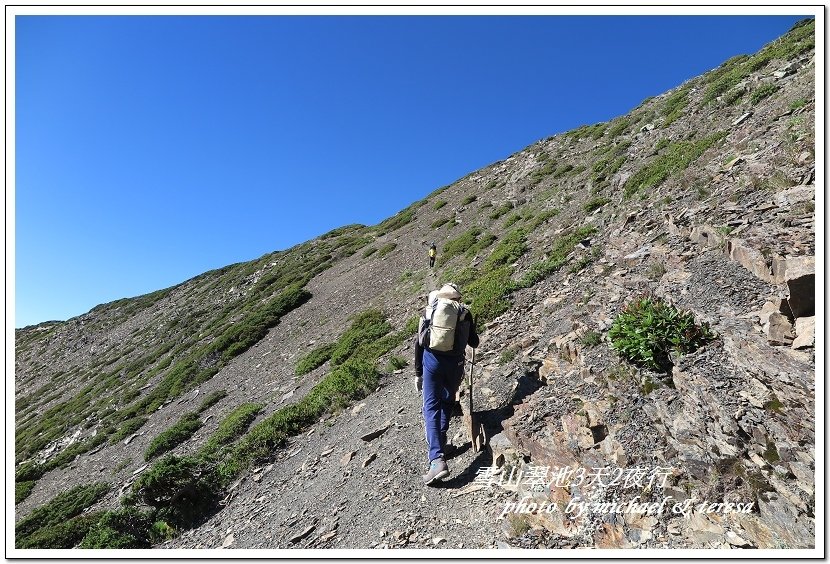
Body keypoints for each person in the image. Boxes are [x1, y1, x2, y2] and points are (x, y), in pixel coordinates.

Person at [414, 283, 479, 485]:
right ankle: (441, 444)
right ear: (457, 297)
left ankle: (437, 460)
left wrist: (418, 374)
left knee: (430, 407)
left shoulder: (429, 312)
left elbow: (419, 343)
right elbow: (474, 343)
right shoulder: (464, 312)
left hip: (432, 363)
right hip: (456, 365)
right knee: (447, 402)